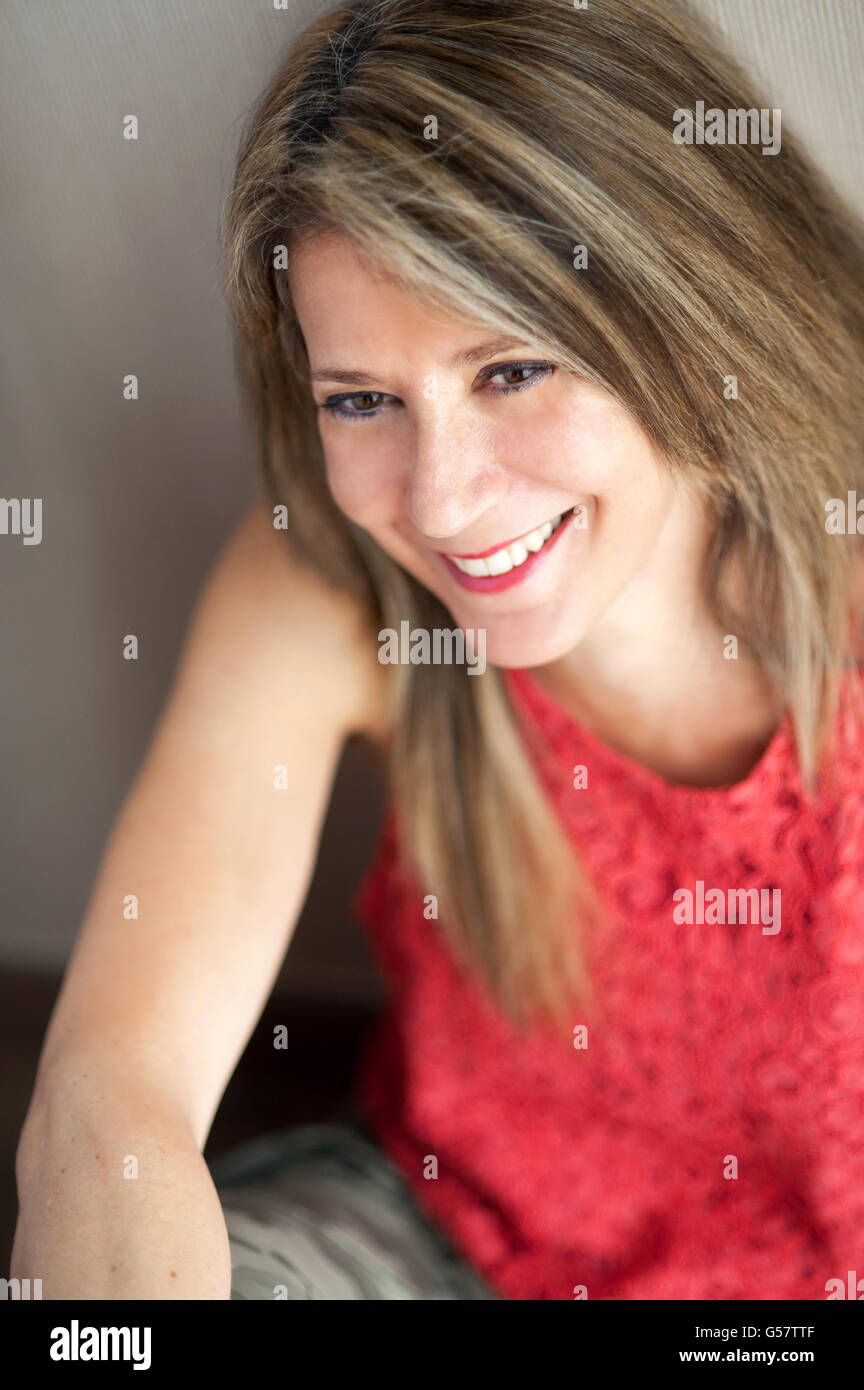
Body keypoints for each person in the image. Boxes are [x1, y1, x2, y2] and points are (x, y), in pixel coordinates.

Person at [13, 0, 864, 1300]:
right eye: (362, 400)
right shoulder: (321, 583)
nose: (445, 499)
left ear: (691, 317)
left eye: (513, 370)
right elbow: (113, 1087)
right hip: (445, 1242)